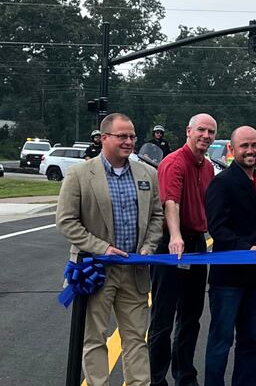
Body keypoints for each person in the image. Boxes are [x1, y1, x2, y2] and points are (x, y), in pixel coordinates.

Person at [56, 113, 164, 385]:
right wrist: (102, 248)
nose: (129, 142)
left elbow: (156, 216)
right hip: (96, 270)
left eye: (132, 136)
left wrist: (149, 247)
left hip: (134, 271)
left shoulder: (147, 174)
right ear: (104, 138)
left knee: (136, 339)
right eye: (122, 136)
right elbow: (66, 221)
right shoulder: (80, 174)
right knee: (94, 339)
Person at [148, 113, 217, 386]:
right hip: (171, 245)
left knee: (191, 316)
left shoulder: (208, 167)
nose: (206, 136)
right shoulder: (173, 163)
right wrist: (176, 236)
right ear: (188, 131)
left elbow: (210, 206)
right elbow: (171, 203)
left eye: (211, 132)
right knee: (163, 317)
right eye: (201, 130)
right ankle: (156, 378)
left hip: (197, 244)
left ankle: (185, 376)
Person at [204, 126, 256, 386]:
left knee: (249, 341)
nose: (250, 151)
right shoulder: (222, 183)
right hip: (228, 278)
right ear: (232, 149)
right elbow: (217, 228)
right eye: (245, 146)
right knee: (221, 341)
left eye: (254, 145)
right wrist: (245, 247)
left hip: (255, 277)